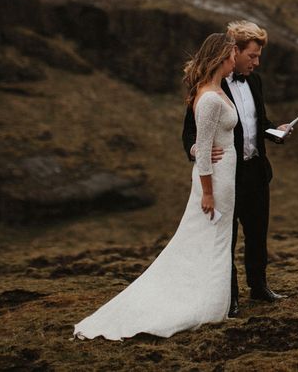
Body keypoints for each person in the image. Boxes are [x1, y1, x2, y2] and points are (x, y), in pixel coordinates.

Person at [74, 33, 238, 339]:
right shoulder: (210, 99)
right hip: (214, 180)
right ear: (219, 58)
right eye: (231, 55)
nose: (234, 61)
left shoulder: (218, 90)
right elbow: (202, 151)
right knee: (210, 239)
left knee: (217, 239)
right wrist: (208, 192)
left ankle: (215, 303)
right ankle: (207, 306)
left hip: (226, 177)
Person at [182, 20, 292, 318]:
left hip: (257, 172)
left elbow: (260, 124)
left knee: (257, 235)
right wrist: (200, 151)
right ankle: (229, 299)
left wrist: (276, 132)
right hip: (227, 178)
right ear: (235, 52)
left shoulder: (255, 82)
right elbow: (190, 135)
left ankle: (259, 287)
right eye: (252, 56)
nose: (256, 63)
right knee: (225, 241)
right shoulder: (209, 88)